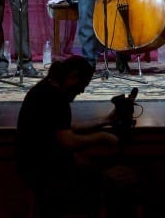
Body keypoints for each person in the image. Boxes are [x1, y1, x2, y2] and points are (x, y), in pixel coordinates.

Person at [16, 55, 122, 217]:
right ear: (73, 77)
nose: (82, 91)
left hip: (32, 160)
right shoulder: (55, 97)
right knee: (99, 163)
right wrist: (102, 137)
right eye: (83, 85)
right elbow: (67, 140)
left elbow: (64, 128)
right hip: (40, 166)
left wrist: (104, 121)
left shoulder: (46, 88)